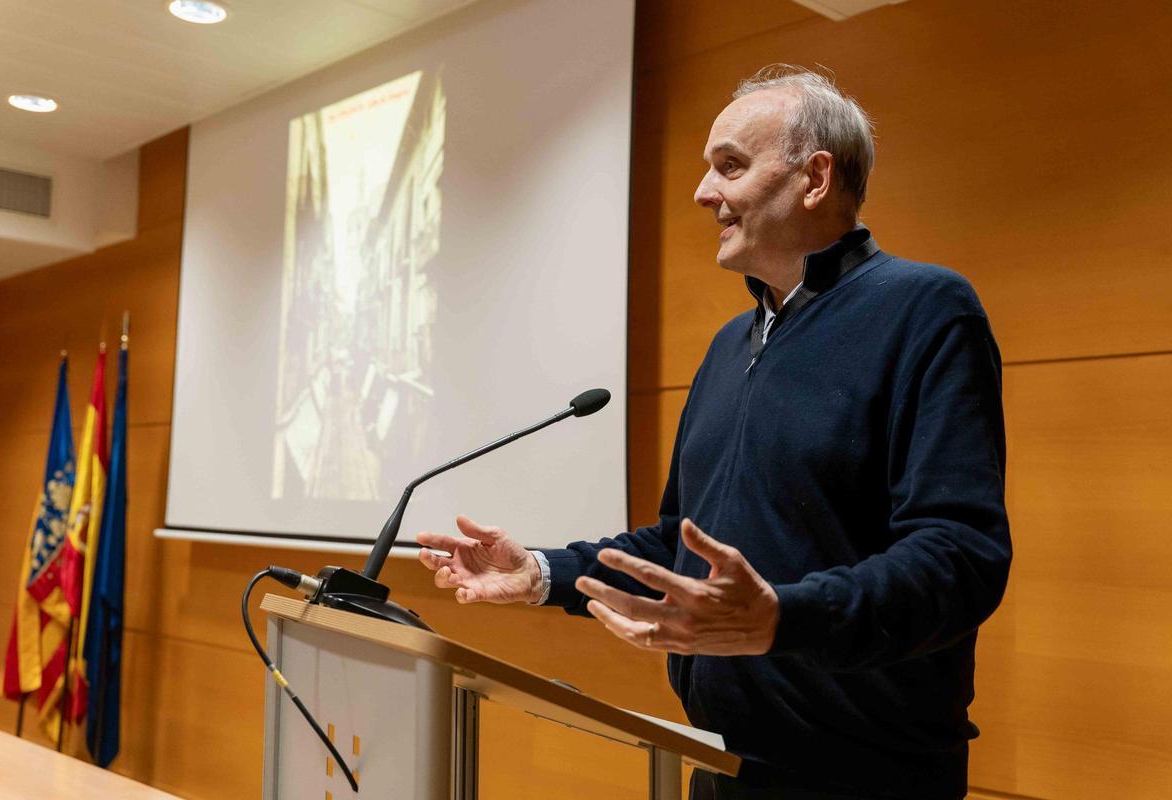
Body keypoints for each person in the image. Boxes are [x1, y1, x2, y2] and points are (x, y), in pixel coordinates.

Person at [418, 65, 1011, 799]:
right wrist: (541, 573)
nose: (704, 193)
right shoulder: (733, 345)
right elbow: (678, 540)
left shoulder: (926, 311)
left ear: (815, 178)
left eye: (730, 165)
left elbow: (962, 558)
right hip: (719, 764)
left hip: (867, 777)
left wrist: (782, 619)